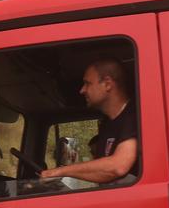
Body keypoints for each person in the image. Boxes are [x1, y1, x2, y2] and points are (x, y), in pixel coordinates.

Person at [41, 57, 139, 185]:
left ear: (107, 84)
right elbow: (103, 173)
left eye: (87, 83)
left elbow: (118, 166)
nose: (82, 90)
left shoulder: (134, 116)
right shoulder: (107, 125)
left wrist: (58, 172)